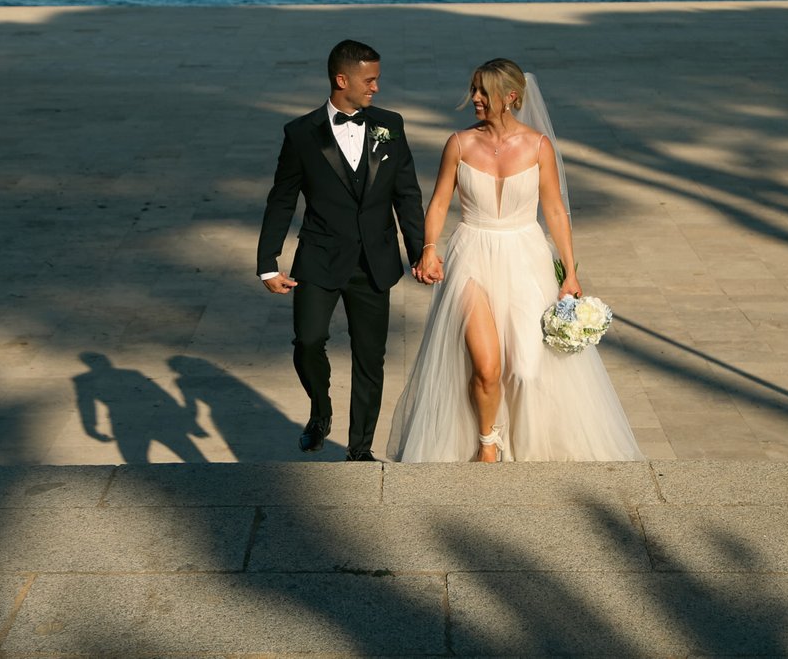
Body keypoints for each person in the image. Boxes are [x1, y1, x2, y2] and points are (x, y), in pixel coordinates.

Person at [386, 58, 642, 463]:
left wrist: (571, 271)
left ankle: (529, 442)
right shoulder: (459, 144)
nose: (474, 99)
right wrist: (429, 248)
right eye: (473, 89)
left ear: (511, 97)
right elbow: (438, 202)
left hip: (525, 256)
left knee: (525, 369)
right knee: (486, 367)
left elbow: (555, 211)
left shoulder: (538, 146)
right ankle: (487, 443)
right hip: (471, 254)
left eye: (482, 92)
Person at [257, 39, 425, 461]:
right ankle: (321, 409)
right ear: (341, 79)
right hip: (319, 257)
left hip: (376, 262)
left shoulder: (392, 125)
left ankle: (360, 449)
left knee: (371, 359)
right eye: (370, 81)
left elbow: (407, 195)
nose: (376, 90)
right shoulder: (300, 133)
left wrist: (421, 250)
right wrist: (267, 263)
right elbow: (282, 198)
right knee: (308, 341)